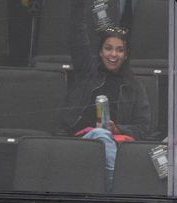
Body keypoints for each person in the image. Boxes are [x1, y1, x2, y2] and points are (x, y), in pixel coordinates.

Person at [60, 26, 152, 190]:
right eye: (108, 48)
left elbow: (143, 128)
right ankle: (115, 188)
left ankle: (113, 187)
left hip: (117, 143)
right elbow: (77, 36)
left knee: (104, 134)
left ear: (126, 55)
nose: (113, 55)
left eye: (119, 50)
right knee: (100, 133)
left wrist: (117, 129)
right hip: (83, 140)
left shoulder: (135, 86)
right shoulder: (86, 73)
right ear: (100, 52)